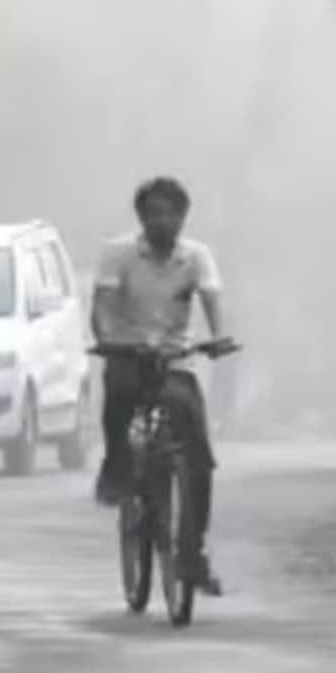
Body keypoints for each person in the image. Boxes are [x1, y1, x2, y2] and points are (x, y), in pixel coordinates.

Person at [91, 176, 237, 593]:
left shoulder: (196, 257)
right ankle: (116, 465)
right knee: (118, 398)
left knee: (198, 457)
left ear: (182, 217)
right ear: (141, 217)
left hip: (176, 359)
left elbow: (211, 298)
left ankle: (192, 552)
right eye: (153, 213)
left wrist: (219, 335)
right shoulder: (117, 254)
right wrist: (106, 338)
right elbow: (101, 305)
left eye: (170, 213)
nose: (162, 221)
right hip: (128, 353)